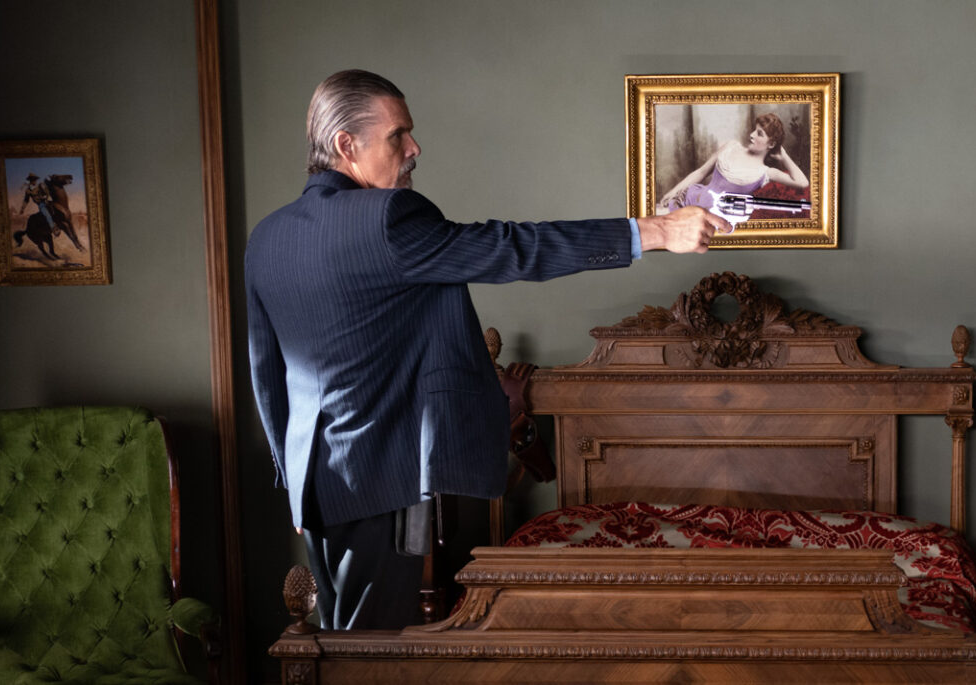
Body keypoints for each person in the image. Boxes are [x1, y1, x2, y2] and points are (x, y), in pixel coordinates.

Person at [246, 69, 729, 630]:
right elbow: (511, 248)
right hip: (384, 480)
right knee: (372, 656)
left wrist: (293, 479)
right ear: (346, 146)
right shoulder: (386, 220)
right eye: (397, 136)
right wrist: (655, 232)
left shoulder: (268, 236)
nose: (414, 148)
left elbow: (267, 371)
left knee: (337, 641)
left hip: (316, 483)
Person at [658, 112, 807, 213]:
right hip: (687, 201)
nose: (751, 135)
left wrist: (784, 156)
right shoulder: (731, 146)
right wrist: (672, 193)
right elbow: (701, 172)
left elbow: (802, 183)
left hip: (713, 219)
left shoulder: (766, 172)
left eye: (759, 133)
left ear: (771, 144)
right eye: (754, 130)